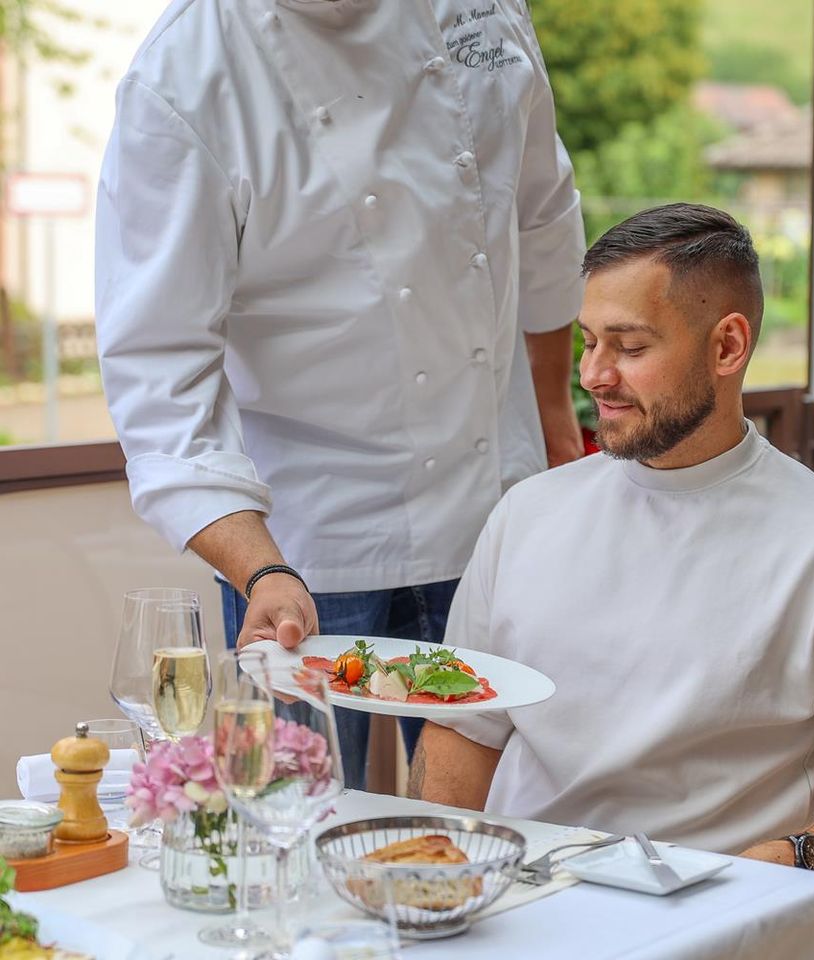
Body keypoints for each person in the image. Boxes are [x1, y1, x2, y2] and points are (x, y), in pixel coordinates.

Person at [95, 0, 585, 789]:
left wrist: (557, 420)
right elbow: (161, 373)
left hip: (497, 503)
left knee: (510, 821)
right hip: (305, 546)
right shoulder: (185, 75)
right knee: (294, 823)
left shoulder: (484, 9)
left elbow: (541, 216)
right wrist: (260, 571)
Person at [413, 203, 814, 889]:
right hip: (518, 906)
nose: (594, 375)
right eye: (589, 342)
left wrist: (778, 866)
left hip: (713, 913)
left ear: (727, 347)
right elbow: (464, 731)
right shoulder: (526, 515)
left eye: (630, 347)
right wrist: (426, 877)